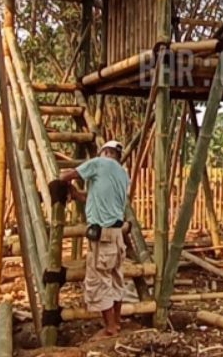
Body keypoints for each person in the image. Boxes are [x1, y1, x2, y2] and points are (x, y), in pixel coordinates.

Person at [59, 139, 130, 340]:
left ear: (105, 151)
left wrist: (61, 183)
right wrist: (76, 193)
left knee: (99, 281)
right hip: (117, 234)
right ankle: (116, 323)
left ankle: (109, 329)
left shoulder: (99, 162)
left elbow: (67, 175)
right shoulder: (123, 174)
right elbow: (94, 198)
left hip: (102, 236)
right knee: (116, 279)